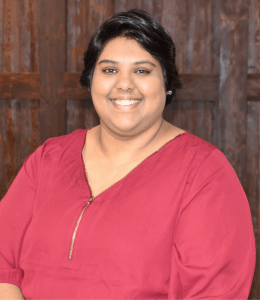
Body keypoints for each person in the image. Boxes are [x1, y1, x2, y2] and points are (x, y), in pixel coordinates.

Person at [0, 8, 256, 300]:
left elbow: (214, 293)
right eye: (109, 70)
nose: (124, 84)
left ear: (167, 84)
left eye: (142, 71)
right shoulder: (48, 159)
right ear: (90, 80)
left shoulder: (204, 173)